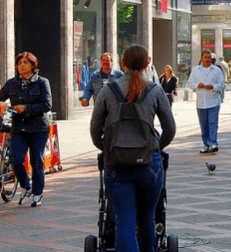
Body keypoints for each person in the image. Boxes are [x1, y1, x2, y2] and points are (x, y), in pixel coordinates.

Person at [89, 44, 176, 251]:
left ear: (122, 63)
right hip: (149, 163)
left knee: (124, 220)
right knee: (147, 218)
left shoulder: (108, 91)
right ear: (148, 63)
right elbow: (170, 129)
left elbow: (95, 130)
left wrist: (109, 148)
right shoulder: (155, 91)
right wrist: (154, 147)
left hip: (117, 164)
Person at [0, 52, 51, 207]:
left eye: (26, 62)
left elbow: (46, 105)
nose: (22, 65)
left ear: (33, 66)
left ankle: (37, 193)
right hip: (19, 128)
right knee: (16, 159)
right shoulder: (12, 83)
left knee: (37, 161)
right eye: (20, 63)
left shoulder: (42, 82)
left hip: (38, 128)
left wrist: (26, 108)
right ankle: (26, 186)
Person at [186, 50, 226, 153]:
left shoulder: (216, 70)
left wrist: (213, 86)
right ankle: (206, 144)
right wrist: (197, 85)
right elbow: (189, 83)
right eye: (205, 57)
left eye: (209, 58)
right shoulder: (196, 70)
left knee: (212, 123)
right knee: (204, 125)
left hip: (213, 101)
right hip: (201, 102)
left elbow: (222, 85)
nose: (207, 60)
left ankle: (213, 143)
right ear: (201, 58)